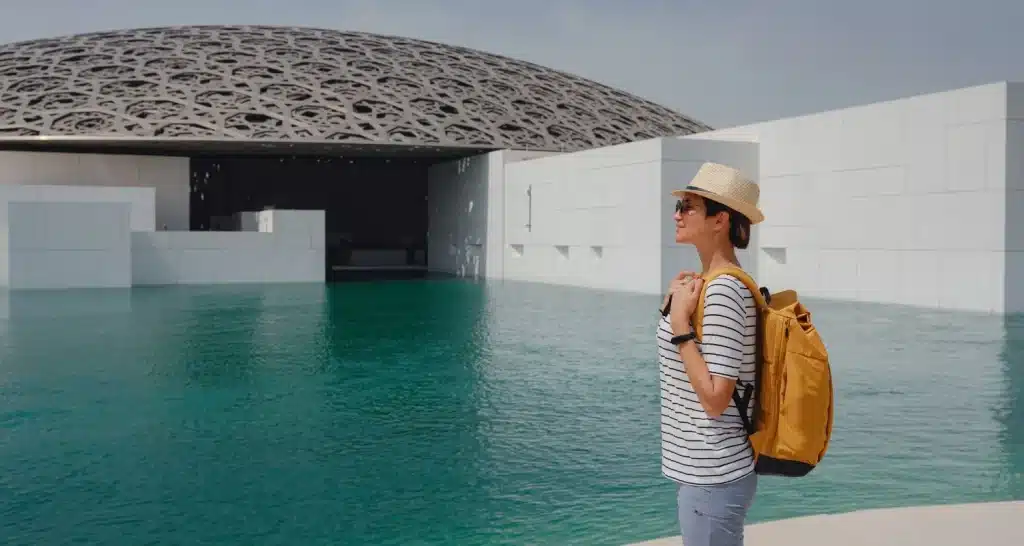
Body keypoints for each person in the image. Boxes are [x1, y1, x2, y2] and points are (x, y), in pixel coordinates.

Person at [656, 162, 764, 546]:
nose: (677, 214)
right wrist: (673, 308)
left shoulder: (723, 292)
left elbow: (716, 398)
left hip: (713, 474)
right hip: (706, 472)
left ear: (720, 220)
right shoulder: (710, 286)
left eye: (688, 206)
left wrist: (681, 326)